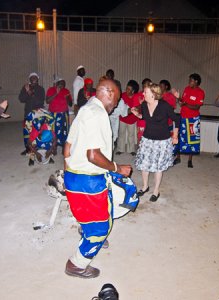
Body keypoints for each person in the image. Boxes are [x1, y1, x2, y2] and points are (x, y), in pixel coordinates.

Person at [63, 79, 132, 279]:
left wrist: (70, 172)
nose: (117, 104)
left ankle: (88, 233)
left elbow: (67, 147)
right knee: (102, 227)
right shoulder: (98, 114)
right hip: (88, 180)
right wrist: (117, 168)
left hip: (75, 176)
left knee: (93, 215)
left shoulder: (85, 109)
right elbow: (93, 155)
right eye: (117, 99)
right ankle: (76, 264)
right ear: (109, 93)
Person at [132, 83, 179, 202]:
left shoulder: (164, 106)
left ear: (153, 94)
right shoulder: (144, 104)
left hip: (162, 141)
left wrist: (175, 136)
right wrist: (137, 114)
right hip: (147, 139)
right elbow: (144, 117)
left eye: (145, 92)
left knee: (158, 167)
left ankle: (156, 191)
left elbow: (177, 119)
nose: (143, 94)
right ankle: (145, 186)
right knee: (144, 164)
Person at [172, 73, 205, 168]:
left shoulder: (200, 92)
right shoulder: (186, 89)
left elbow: (196, 107)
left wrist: (185, 103)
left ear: (196, 82)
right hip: (183, 117)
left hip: (193, 120)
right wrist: (178, 98)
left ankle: (190, 160)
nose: (189, 82)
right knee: (178, 137)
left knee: (192, 140)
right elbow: (182, 103)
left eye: (191, 80)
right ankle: (178, 157)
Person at [18, 72, 45, 155]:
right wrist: (27, 93)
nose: (34, 78)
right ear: (29, 79)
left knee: (37, 130)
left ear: (37, 79)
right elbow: (21, 99)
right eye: (32, 77)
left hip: (38, 113)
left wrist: (30, 93)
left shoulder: (41, 89)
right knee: (27, 131)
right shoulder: (25, 87)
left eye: (35, 77)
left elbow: (40, 101)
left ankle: (38, 147)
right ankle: (28, 148)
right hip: (28, 112)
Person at [46, 78, 72, 149]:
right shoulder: (51, 89)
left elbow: (70, 104)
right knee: (54, 130)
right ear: (57, 83)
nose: (63, 85)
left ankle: (64, 145)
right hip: (54, 114)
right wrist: (56, 93)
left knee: (64, 130)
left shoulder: (66, 91)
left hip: (64, 114)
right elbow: (47, 101)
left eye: (64, 84)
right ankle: (54, 145)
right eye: (61, 83)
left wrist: (67, 98)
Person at [116, 80, 139, 155]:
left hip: (132, 119)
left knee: (131, 135)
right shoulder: (122, 95)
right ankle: (120, 149)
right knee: (121, 134)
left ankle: (131, 149)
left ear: (133, 91)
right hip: (123, 118)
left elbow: (138, 108)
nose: (126, 90)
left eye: (129, 89)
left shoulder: (136, 97)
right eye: (126, 88)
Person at [135, 78, 152, 143]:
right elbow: (137, 110)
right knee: (141, 139)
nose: (147, 87)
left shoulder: (154, 95)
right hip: (142, 121)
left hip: (152, 122)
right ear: (142, 86)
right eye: (146, 85)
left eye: (149, 85)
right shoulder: (138, 96)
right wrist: (142, 104)